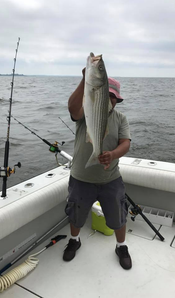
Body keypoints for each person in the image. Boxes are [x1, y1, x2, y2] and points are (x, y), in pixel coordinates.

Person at [63, 70, 132, 270]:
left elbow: (125, 143)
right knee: (76, 214)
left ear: (117, 100)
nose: (109, 99)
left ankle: (121, 246)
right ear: (96, 94)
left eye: (113, 96)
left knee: (119, 216)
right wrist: (86, 79)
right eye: (106, 94)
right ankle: (74, 240)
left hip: (110, 178)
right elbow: (72, 108)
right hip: (81, 177)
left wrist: (113, 154)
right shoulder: (87, 111)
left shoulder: (121, 118)